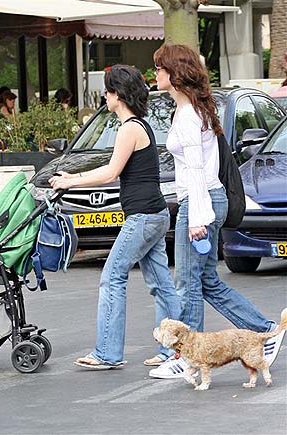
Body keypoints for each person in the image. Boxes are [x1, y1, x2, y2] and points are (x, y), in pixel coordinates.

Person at [147, 43, 285, 379]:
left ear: (175, 73)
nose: (155, 74)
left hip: (201, 201)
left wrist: (196, 218)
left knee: (188, 282)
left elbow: (196, 169)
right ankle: (265, 331)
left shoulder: (188, 115)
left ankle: (187, 358)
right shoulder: (194, 110)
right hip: (209, 199)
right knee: (207, 281)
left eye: (160, 68)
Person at [49, 65, 181, 369]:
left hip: (143, 217)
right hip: (155, 214)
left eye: (108, 91)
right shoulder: (141, 125)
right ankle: (174, 351)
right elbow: (115, 168)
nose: (105, 97)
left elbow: (111, 172)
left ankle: (107, 353)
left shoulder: (130, 128)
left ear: (118, 95)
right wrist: (74, 178)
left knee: (112, 278)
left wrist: (70, 181)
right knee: (161, 285)